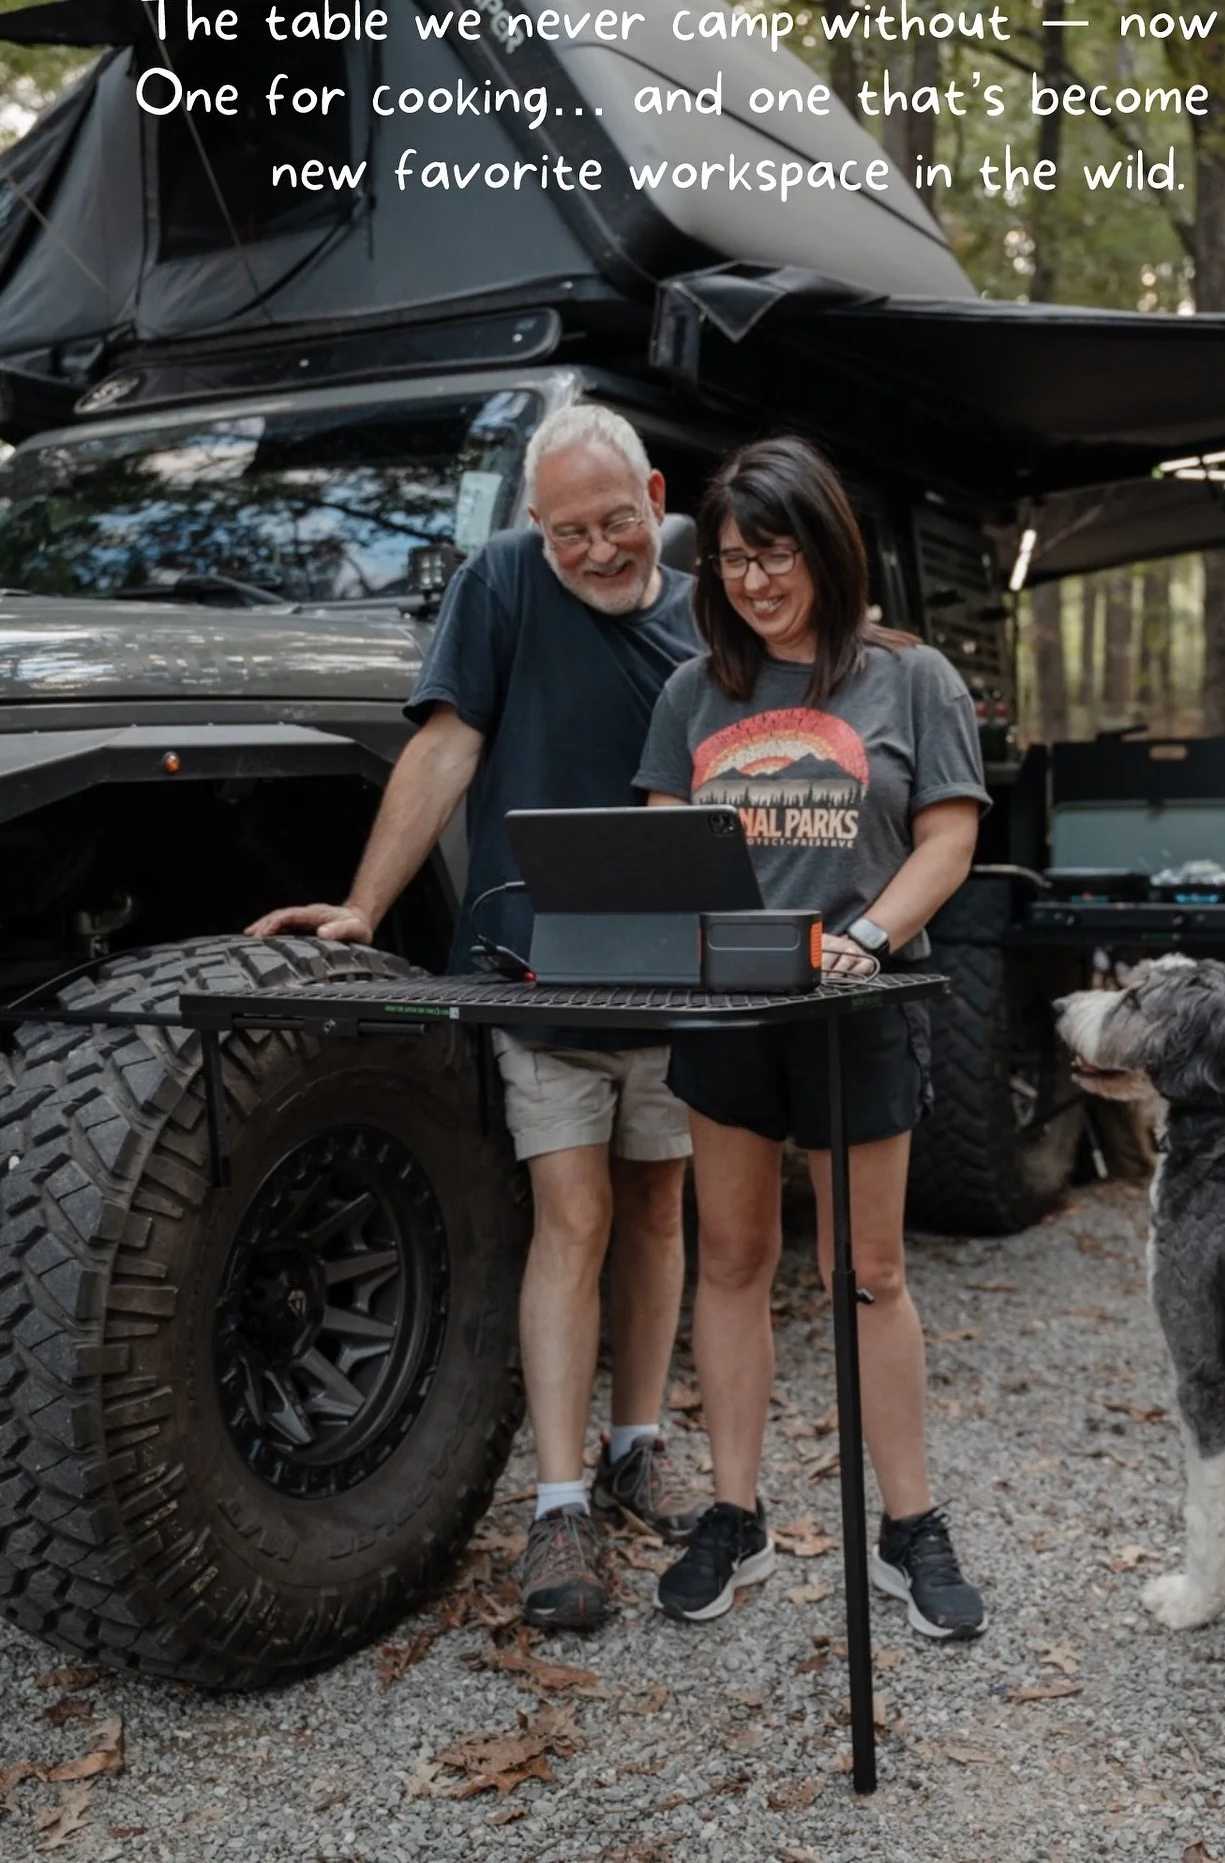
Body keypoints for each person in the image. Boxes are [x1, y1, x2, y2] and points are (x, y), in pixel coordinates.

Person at [246, 404, 704, 1632]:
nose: (599, 551)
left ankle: (639, 1442)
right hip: (532, 959)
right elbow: (448, 746)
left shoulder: (710, 608)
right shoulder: (502, 581)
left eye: (616, 522)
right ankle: (559, 1506)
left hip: (679, 968)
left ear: (655, 494)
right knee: (574, 1208)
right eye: (570, 535)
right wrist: (364, 902)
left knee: (661, 1202)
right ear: (532, 529)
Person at [635, 436, 991, 1639]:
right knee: (731, 1261)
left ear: (827, 549)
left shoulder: (912, 678)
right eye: (734, 558)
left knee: (867, 1273)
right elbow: (660, 848)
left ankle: (910, 1528)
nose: (754, 580)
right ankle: (735, 1516)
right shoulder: (693, 692)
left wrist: (873, 939)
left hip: (860, 1007)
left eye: (776, 553)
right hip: (729, 1011)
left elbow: (947, 839)